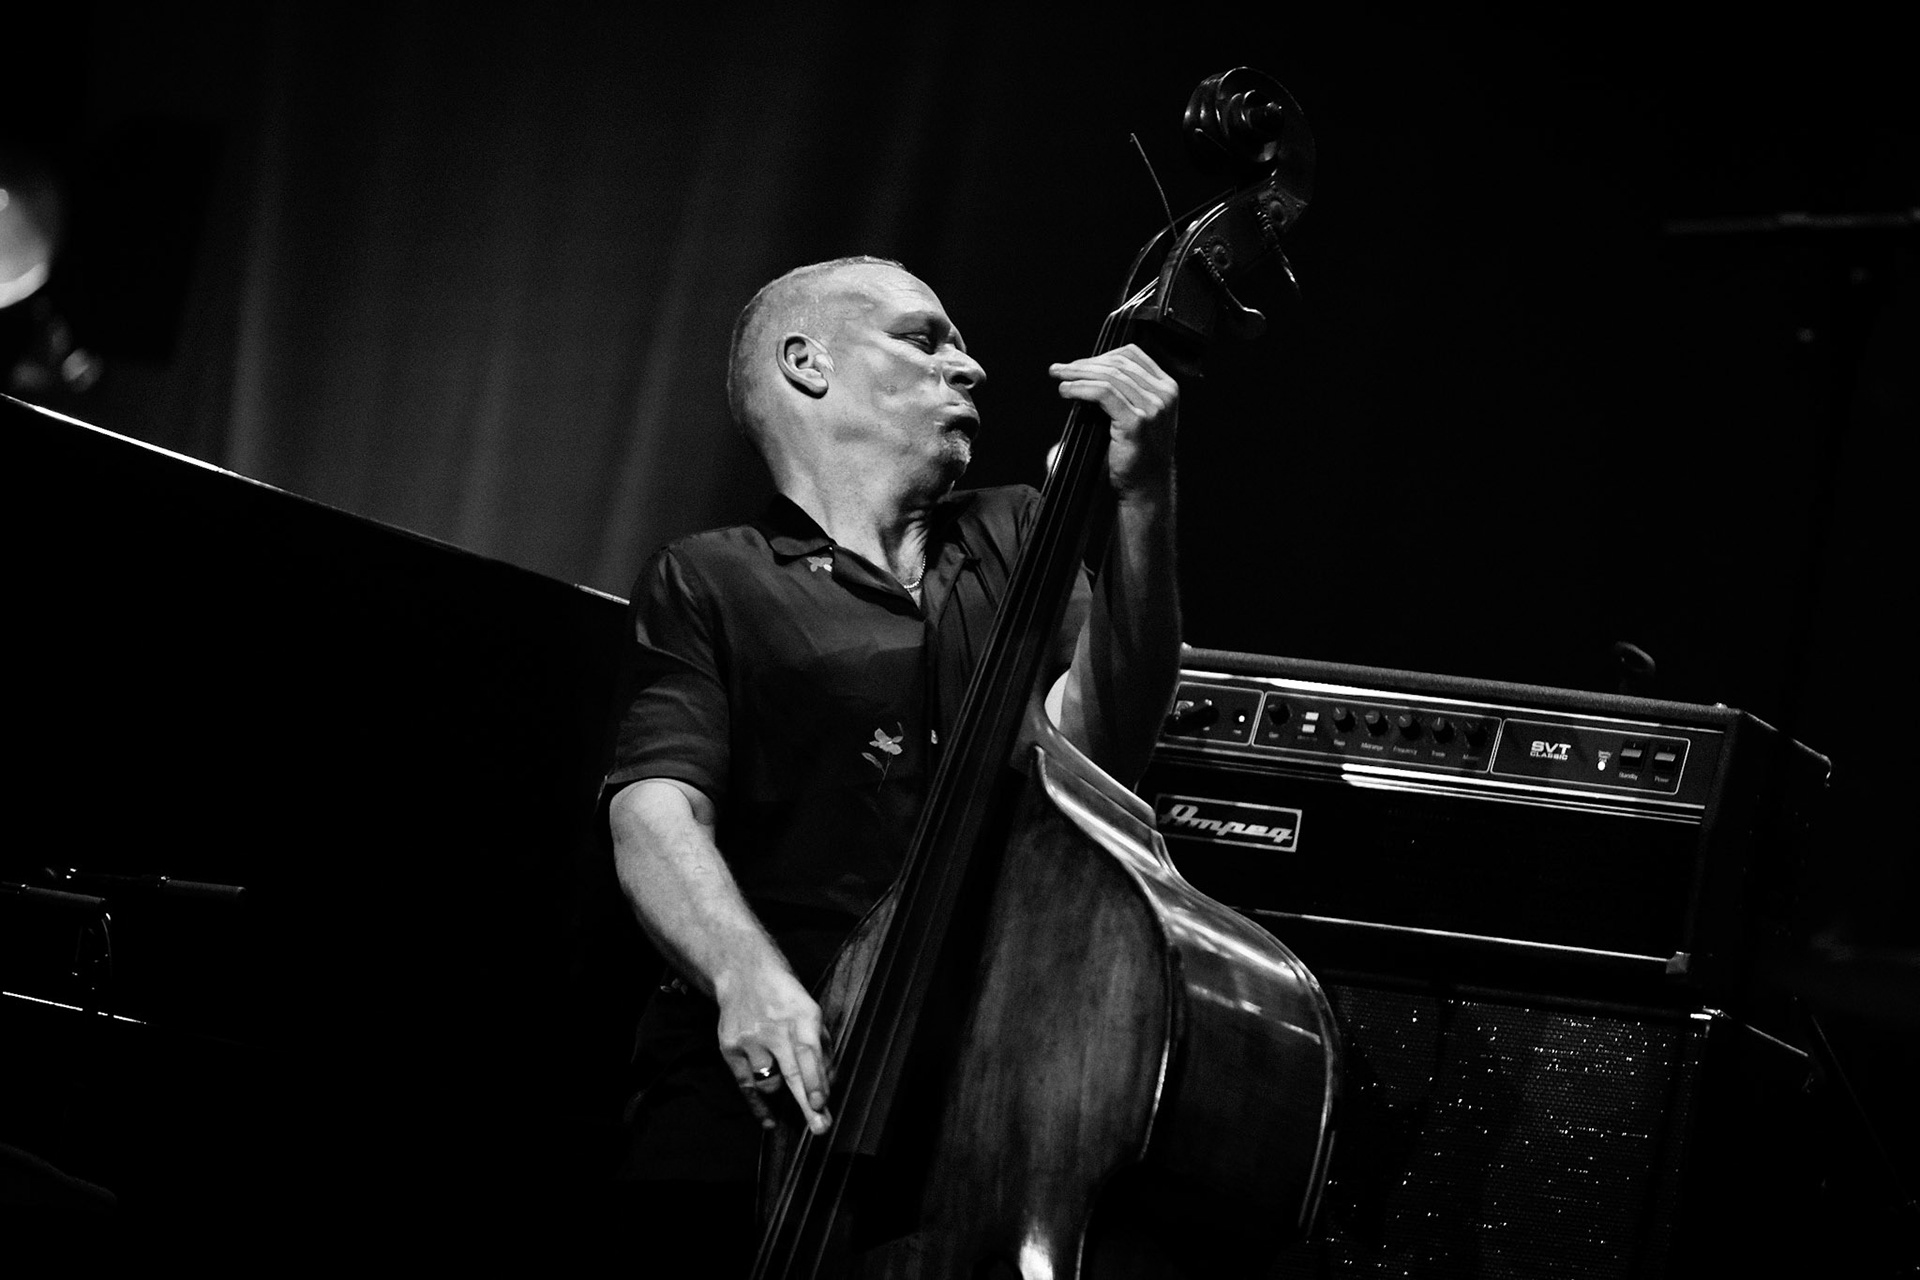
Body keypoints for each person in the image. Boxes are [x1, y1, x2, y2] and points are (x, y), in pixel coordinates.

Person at [599, 255, 1182, 1259]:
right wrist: (747, 974)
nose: (973, 367)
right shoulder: (711, 576)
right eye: (925, 338)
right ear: (807, 364)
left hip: (977, 1089)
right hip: (758, 1087)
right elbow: (654, 808)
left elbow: (1101, 748)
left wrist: (1141, 500)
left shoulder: (1016, 535)